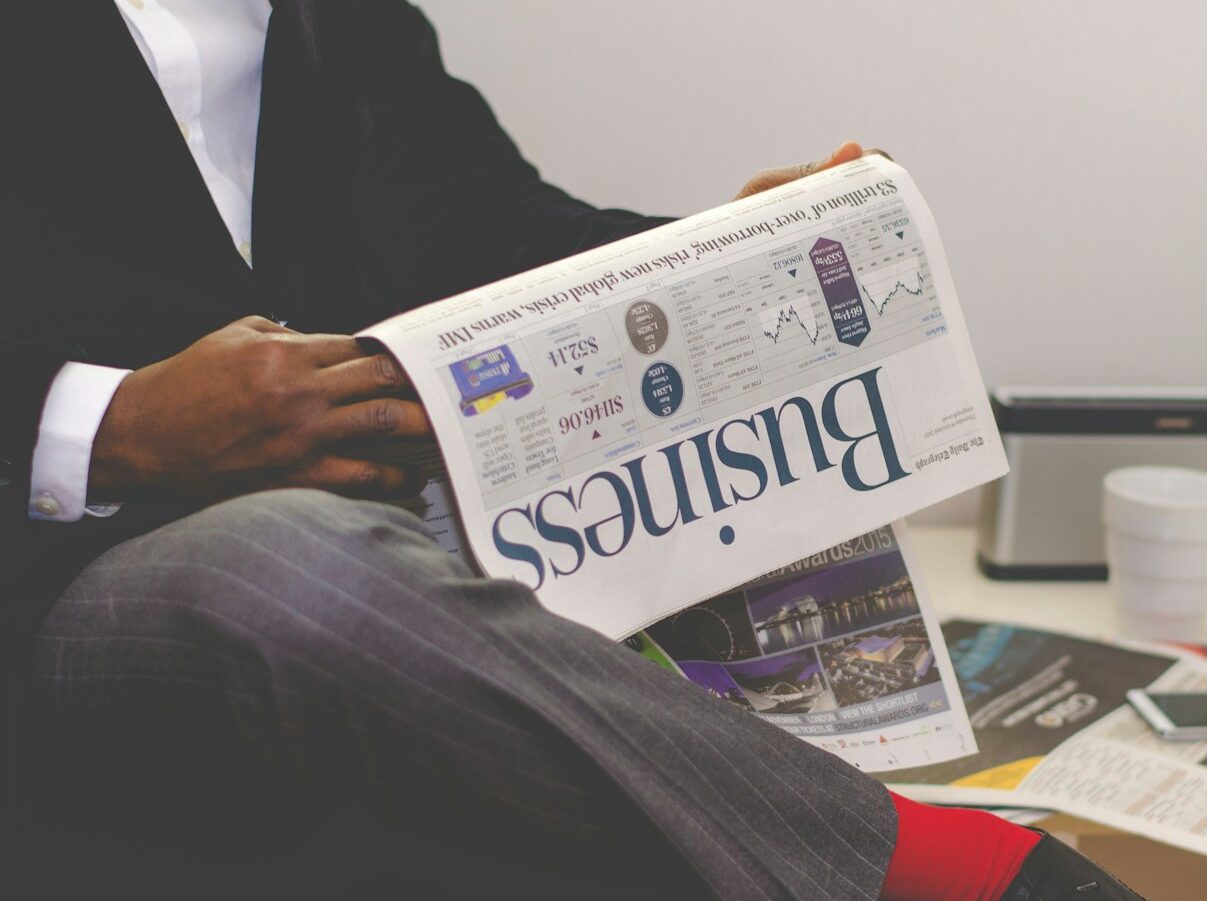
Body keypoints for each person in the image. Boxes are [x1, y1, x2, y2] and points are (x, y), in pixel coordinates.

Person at [3, 3, 1145, 899]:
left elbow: (498, 239)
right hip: (74, 593)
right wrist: (111, 428)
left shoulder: (343, 18)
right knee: (283, 561)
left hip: (396, 577)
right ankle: (965, 874)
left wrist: (723, 253)